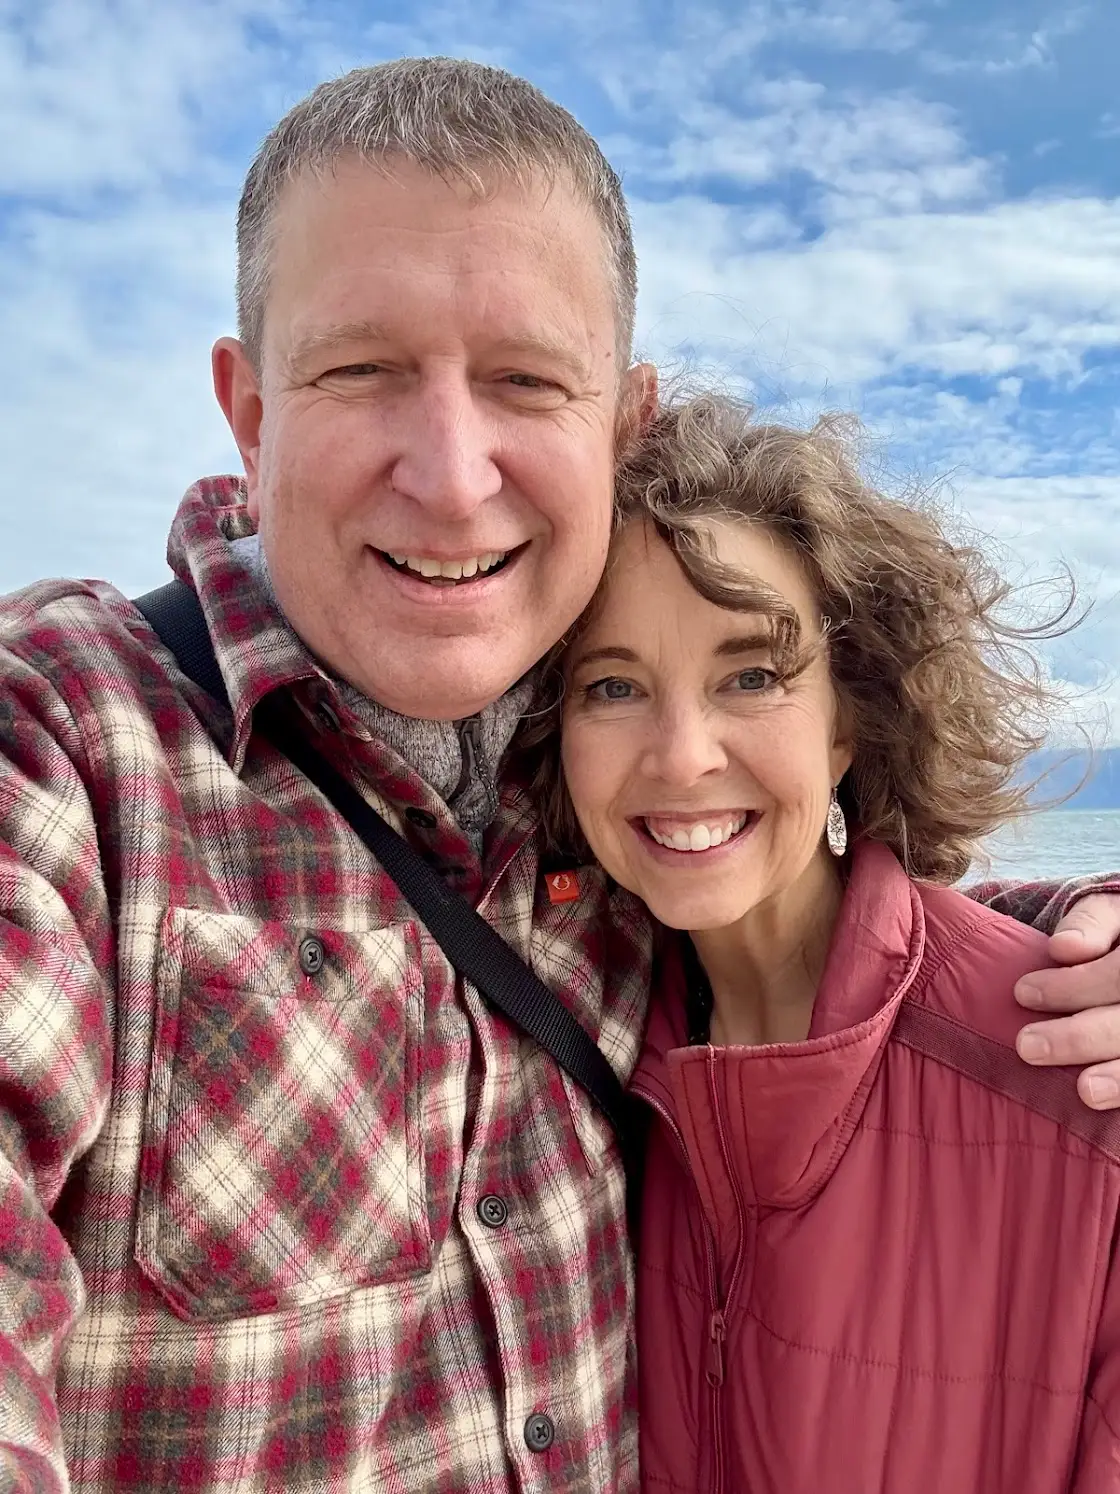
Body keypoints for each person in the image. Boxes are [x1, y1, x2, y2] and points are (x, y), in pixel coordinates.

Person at [0, 56, 1118, 1494]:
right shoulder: (70, 747)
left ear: (623, 423)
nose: (455, 475)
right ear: (252, 410)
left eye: (526, 380)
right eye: (361, 369)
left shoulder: (589, 806)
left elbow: (802, 906)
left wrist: (1070, 929)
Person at [543, 393, 1120, 1492]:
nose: (680, 756)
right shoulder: (571, 1049)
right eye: (610, 686)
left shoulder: (1075, 1069)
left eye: (751, 675)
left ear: (850, 713)